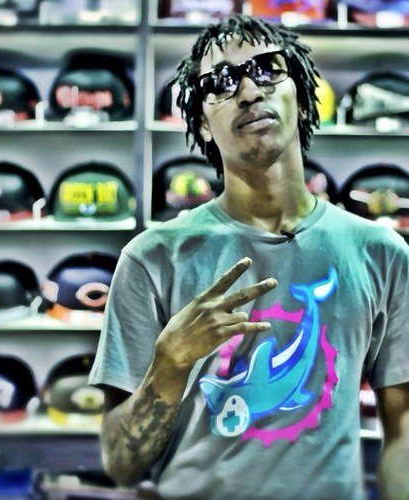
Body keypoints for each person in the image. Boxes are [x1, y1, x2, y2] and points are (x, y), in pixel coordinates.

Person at [88, 14, 409, 500]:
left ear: (301, 97)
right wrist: (169, 365)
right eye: (220, 82)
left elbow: (402, 436)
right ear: (202, 123)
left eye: (266, 70)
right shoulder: (151, 259)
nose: (247, 90)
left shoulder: (382, 253)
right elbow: (120, 464)